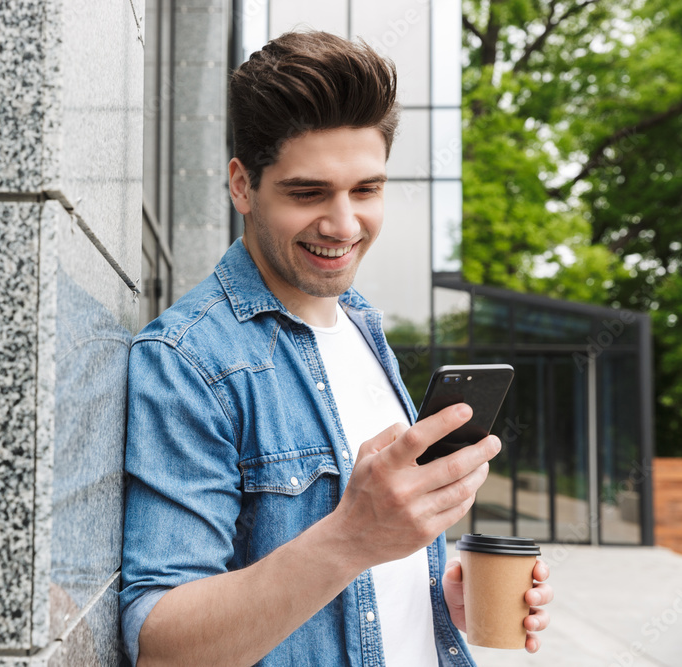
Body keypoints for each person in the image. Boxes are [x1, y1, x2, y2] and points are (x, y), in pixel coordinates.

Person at [120, 30, 553, 667]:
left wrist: (432, 596)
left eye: (367, 190)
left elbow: (356, 583)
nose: (344, 224)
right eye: (308, 192)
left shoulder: (360, 325)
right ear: (242, 185)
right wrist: (350, 539)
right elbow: (164, 646)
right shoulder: (187, 361)